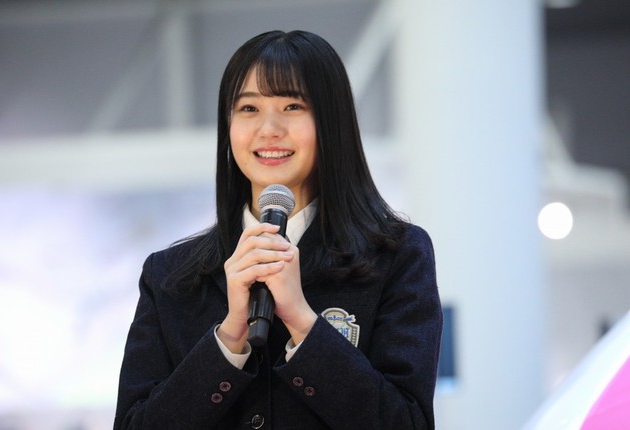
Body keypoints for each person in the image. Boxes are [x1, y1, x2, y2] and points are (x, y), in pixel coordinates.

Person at [113, 30, 442, 430]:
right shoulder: (168, 277)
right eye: (248, 108)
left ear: (332, 121)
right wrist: (228, 337)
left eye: (292, 105)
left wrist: (303, 322)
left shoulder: (397, 256)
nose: (269, 128)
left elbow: (408, 423)